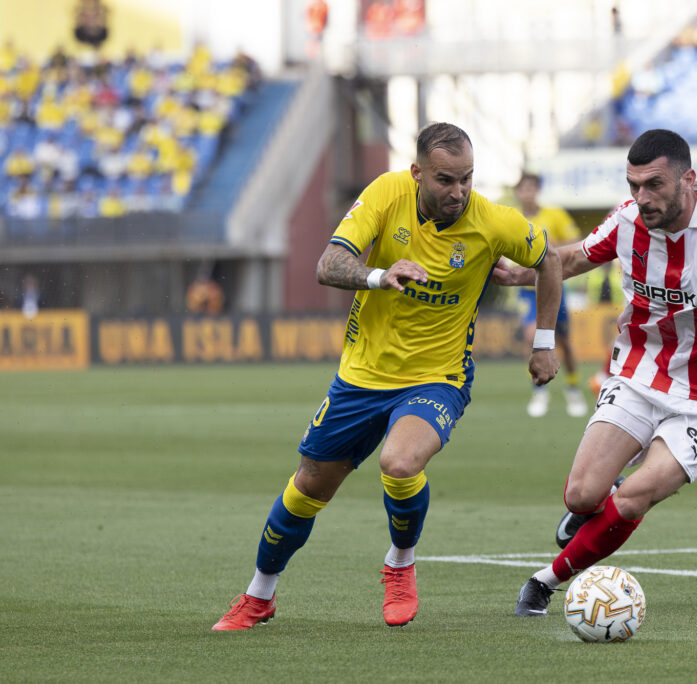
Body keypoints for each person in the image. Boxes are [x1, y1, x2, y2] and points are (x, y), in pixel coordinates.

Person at [212, 122, 562, 630]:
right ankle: (259, 596)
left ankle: (400, 562)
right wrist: (381, 275)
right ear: (417, 172)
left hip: (437, 375)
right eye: (445, 180)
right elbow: (328, 263)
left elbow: (548, 258)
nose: (458, 191)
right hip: (361, 375)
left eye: (466, 178)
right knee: (308, 487)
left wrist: (544, 343)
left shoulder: (492, 220)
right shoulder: (385, 193)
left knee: (400, 463)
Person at [491, 129, 697, 617]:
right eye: (633, 185)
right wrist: (522, 273)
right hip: (640, 374)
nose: (642, 198)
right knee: (581, 495)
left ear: (689, 180)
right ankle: (597, 505)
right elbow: (575, 256)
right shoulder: (627, 220)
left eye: (654, 185)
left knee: (636, 495)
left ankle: (545, 581)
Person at [512, 172, 588, 418]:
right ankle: (539, 390)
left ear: (537, 190)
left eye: (532, 188)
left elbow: (575, 241)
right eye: (523, 188)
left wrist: (552, 242)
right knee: (530, 336)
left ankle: (573, 388)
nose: (528, 193)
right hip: (526, 291)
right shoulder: (511, 219)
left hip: (552, 286)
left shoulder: (554, 215)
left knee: (564, 341)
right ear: (517, 192)